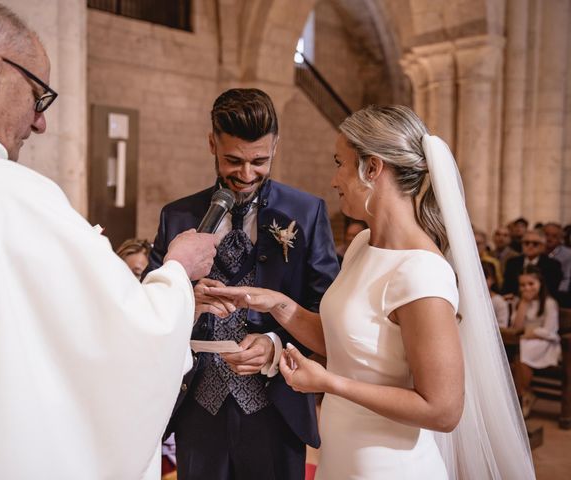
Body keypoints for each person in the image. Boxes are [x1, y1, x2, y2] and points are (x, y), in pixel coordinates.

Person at [0, 2, 218, 479]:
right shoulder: (12, 195)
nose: (40, 122)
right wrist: (176, 273)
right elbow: (129, 338)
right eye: (38, 96)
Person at [207, 105, 534, 479]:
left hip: (389, 467)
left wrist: (329, 383)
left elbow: (443, 410)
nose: (334, 180)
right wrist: (278, 304)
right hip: (342, 459)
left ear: (372, 168)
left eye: (339, 163)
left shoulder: (421, 272)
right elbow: (344, 343)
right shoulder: (363, 245)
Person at [145, 88, 339, 480]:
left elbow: (327, 315)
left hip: (275, 408)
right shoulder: (177, 216)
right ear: (211, 142)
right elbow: (147, 306)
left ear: (275, 147)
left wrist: (275, 344)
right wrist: (183, 298)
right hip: (198, 410)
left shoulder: (307, 213)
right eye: (233, 160)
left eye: (259, 161)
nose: (246, 175)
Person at [510, 266, 561, 417]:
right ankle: (526, 394)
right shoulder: (521, 302)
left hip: (546, 343)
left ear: (540, 284)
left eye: (531, 284)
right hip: (525, 342)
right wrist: (523, 305)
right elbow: (516, 327)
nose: (527, 288)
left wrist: (529, 334)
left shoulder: (549, 303)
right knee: (518, 355)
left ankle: (524, 395)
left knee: (522, 348)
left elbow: (550, 331)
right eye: (523, 285)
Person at [503, 229, 563, 300]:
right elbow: (506, 288)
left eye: (535, 243)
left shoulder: (553, 265)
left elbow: (552, 290)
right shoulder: (512, 263)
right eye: (526, 243)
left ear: (543, 246)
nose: (530, 246)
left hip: (542, 303)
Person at [543, 222, 571, 306]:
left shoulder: (568, 254)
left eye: (554, 236)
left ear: (560, 238)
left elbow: (566, 278)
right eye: (546, 235)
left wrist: (556, 296)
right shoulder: (538, 250)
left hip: (558, 294)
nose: (549, 238)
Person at [482, 261, 510, 327]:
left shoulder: (498, 301)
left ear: (493, 279)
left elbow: (503, 325)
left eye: (485, 277)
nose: (480, 281)